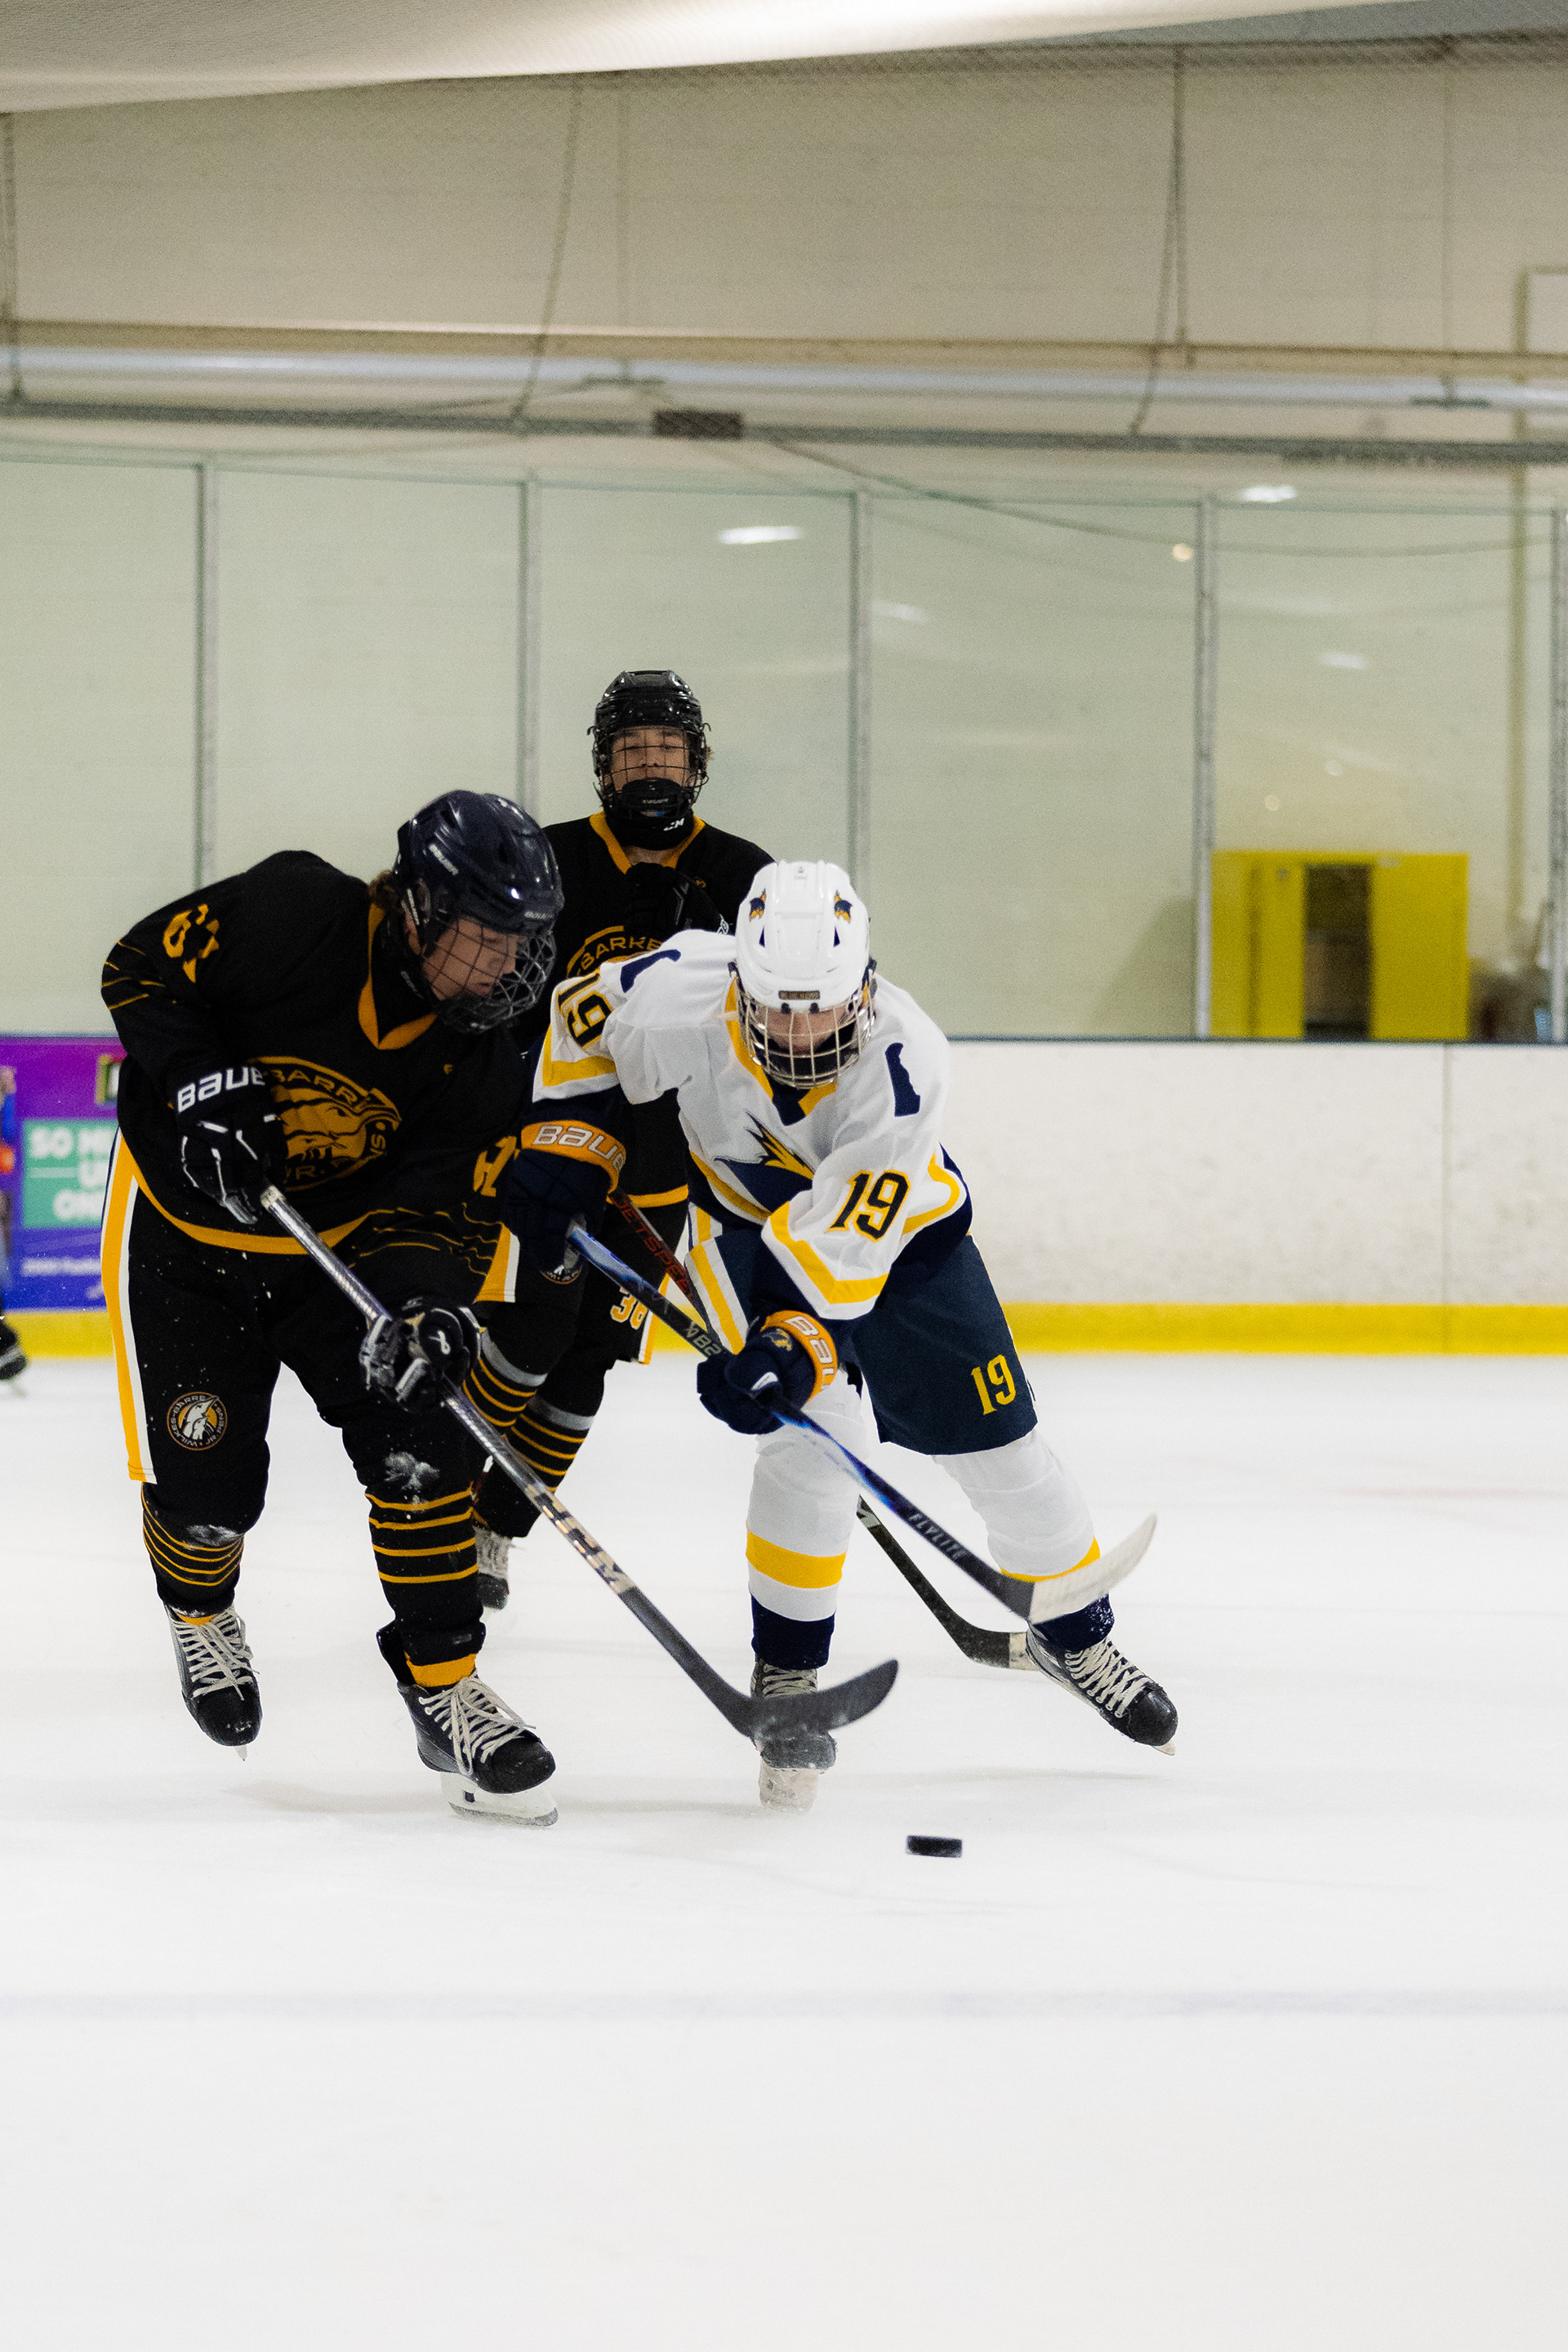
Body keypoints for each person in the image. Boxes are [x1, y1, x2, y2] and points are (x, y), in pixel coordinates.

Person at [493, 859, 1178, 1810]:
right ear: (739, 982)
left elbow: (848, 1251)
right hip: (746, 1236)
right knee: (814, 1448)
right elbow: (580, 1023)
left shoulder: (908, 1059)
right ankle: (790, 1679)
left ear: (863, 987)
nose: (798, 1034)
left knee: (1004, 1457)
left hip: (905, 1248)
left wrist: (791, 1349)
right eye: (776, 1012)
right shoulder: (681, 986)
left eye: (821, 1012)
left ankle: (1077, 1639)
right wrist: (570, 1142)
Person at [99, 790, 567, 1822]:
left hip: (336, 1254)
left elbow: (436, 1207)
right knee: (210, 1488)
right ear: (420, 908)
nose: (507, 968)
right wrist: (200, 1080)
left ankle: (445, 1685)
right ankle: (201, 1610)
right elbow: (138, 966)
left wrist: (430, 1308)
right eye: (487, 938)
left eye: (521, 943)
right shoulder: (294, 916)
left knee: (424, 1439)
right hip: (186, 1244)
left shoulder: (484, 1051)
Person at [470, 669, 772, 1610]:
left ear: (698, 763)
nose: (650, 768)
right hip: (558, 1139)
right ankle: (444, 1491)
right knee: (529, 1330)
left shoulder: (744, 875)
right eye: (632, 752)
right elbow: (497, 998)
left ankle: (495, 1527)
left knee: (589, 1358)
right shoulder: (551, 860)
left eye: (666, 752)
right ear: (603, 766)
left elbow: (778, 1022)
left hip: (664, 1159)